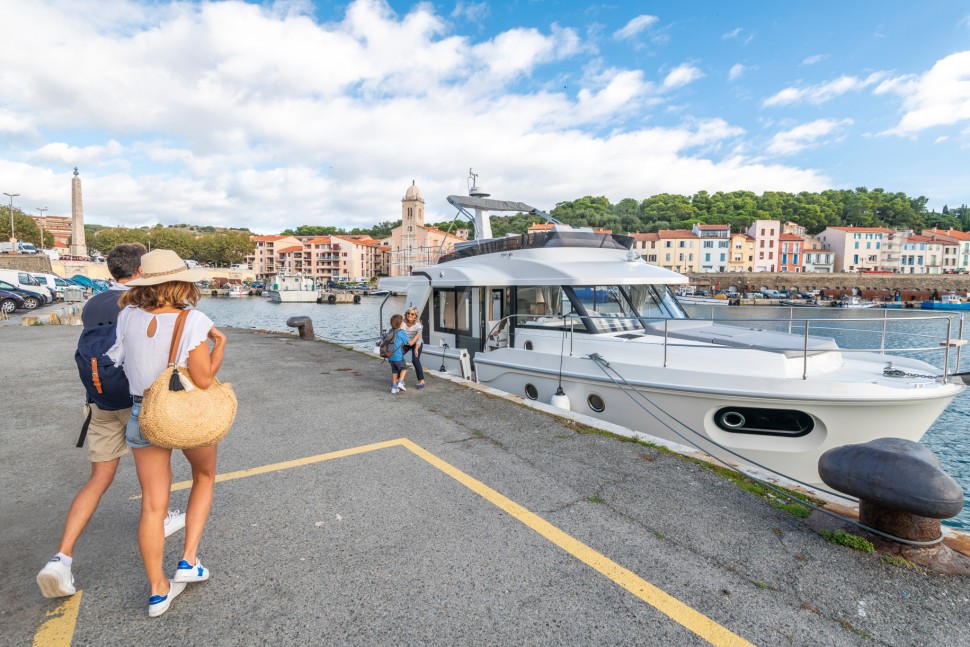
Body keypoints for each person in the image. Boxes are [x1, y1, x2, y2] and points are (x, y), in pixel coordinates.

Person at [37, 243, 186, 599]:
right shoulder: (143, 304)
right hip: (140, 403)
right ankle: (160, 538)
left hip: (100, 401)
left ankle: (62, 558)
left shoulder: (92, 303)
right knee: (153, 480)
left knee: (98, 479)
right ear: (141, 270)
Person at [107, 249, 225, 617]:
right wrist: (219, 344)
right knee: (204, 475)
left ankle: (158, 590)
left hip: (145, 411)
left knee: (153, 505)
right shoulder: (193, 320)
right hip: (185, 412)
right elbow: (204, 379)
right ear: (181, 281)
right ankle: (188, 559)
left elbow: (119, 360)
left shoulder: (126, 315)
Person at [401, 307, 425, 390]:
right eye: (408, 313)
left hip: (417, 344)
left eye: (412, 314)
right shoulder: (402, 323)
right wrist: (412, 340)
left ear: (415, 316)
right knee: (399, 357)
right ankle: (400, 380)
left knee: (415, 360)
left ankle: (422, 382)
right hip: (407, 342)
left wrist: (415, 349)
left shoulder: (419, 326)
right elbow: (404, 337)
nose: (409, 315)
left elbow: (419, 339)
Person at [388, 313, 410, 394]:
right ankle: (400, 383)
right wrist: (417, 336)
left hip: (390, 356)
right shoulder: (401, 332)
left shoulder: (390, 331)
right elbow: (409, 342)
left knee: (394, 371)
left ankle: (394, 388)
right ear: (400, 323)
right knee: (404, 369)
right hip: (398, 356)